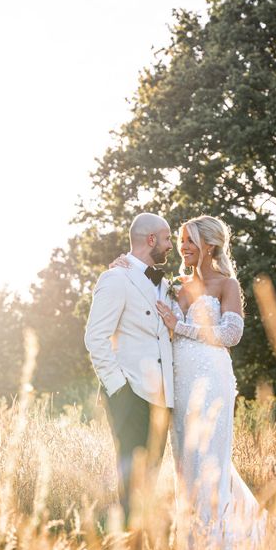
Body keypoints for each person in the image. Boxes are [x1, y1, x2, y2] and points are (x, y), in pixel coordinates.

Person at [112, 215, 267, 550]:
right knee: (186, 464)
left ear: (209, 245)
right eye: (180, 240)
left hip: (212, 377)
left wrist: (180, 326)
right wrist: (122, 266)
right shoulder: (175, 285)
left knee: (209, 459)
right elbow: (142, 296)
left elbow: (230, 335)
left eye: (190, 240)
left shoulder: (226, 285)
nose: (183, 247)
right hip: (179, 381)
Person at [84, 213, 174, 525]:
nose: (170, 245)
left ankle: (142, 549)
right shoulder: (115, 279)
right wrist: (118, 388)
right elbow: (95, 337)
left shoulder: (163, 283)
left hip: (161, 398)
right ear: (151, 240)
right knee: (131, 482)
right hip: (130, 393)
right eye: (167, 238)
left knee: (149, 479)